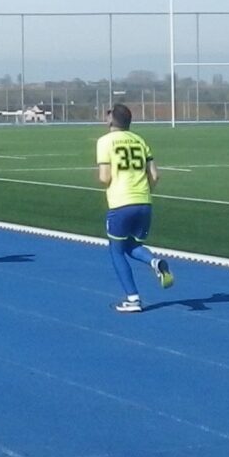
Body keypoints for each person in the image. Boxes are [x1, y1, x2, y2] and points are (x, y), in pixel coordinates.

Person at [95, 103, 173, 313]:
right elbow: (155, 175)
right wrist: (145, 192)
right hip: (144, 202)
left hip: (121, 202)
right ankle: (154, 262)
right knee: (132, 245)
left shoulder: (105, 141)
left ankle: (133, 299)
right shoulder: (140, 140)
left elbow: (104, 177)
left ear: (111, 120)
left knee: (116, 250)